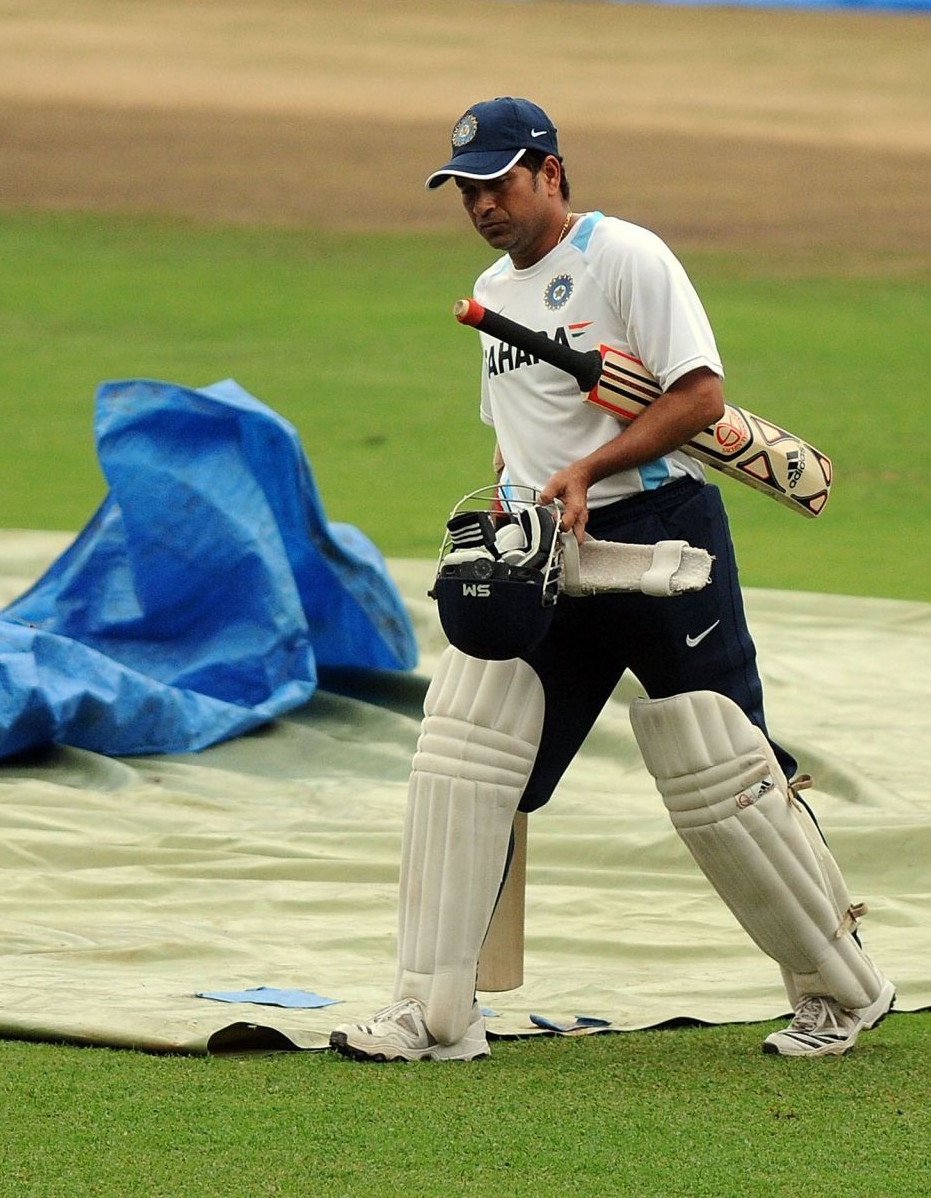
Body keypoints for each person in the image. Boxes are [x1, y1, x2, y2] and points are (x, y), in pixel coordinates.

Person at [330, 96, 892, 1061]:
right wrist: (513, 516)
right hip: (549, 545)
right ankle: (436, 1015)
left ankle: (842, 990)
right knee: (465, 767)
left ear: (550, 171)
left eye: (498, 181)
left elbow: (700, 398)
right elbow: (522, 437)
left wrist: (590, 470)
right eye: (465, 189)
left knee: (725, 770)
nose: (481, 204)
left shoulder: (626, 256)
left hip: (659, 536)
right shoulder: (491, 292)